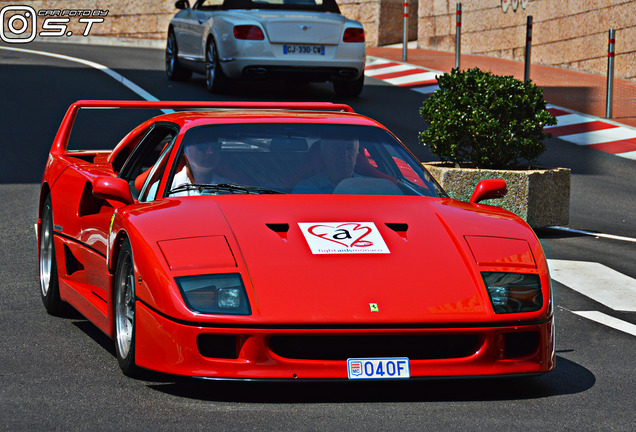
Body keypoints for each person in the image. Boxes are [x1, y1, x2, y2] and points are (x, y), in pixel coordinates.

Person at [292, 136, 359, 194]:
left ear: (356, 155)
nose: (345, 154)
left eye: (350, 148)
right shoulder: (305, 190)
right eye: (337, 149)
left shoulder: (366, 186)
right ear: (324, 156)